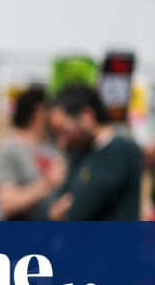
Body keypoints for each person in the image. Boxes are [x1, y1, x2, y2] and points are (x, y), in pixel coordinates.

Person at [46, 84, 142, 221]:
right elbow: (53, 206)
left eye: (65, 132)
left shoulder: (118, 150)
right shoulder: (83, 152)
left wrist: (59, 211)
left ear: (87, 116)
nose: (62, 142)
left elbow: (76, 211)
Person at [0, 86, 65, 220]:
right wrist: (47, 184)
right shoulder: (9, 149)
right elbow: (7, 204)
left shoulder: (55, 147)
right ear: (39, 112)